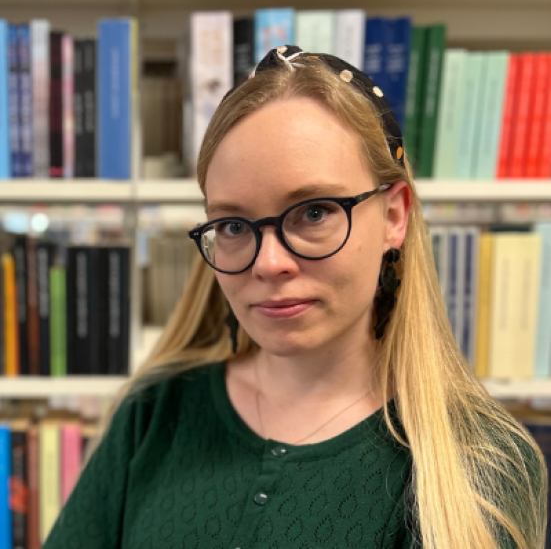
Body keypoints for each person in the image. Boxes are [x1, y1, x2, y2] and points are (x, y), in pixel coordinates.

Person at [44, 46, 547, 549]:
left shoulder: (477, 463)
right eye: (234, 225)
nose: (268, 263)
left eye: (314, 213)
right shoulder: (155, 414)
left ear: (394, 217)